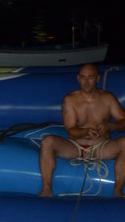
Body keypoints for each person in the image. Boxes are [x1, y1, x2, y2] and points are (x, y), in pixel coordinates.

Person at [39, 63, 125, 197]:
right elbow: (71, 130)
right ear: (78, 78)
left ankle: (118, 191)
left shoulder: (108, 98)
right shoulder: (70, 100)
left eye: (90, 77)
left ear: (97, 78)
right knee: (47, 141)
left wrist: (109, 126)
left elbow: (123, 120)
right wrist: (86, 131)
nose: (86, 81)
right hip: (76, 146)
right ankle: (47, 189)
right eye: (83, 77)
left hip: (101, 146)